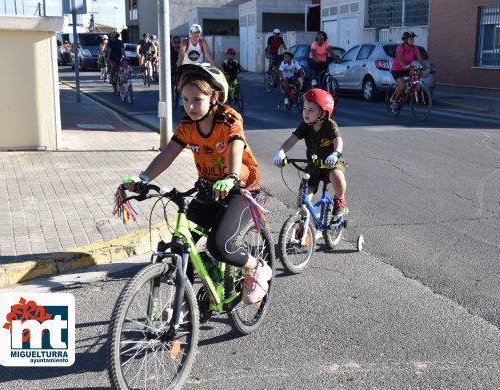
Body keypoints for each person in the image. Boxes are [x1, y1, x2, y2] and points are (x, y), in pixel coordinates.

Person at [122, 63, 271, 304]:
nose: (190, 106)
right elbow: (167, 154)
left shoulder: (229, 118)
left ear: (215, 97)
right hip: (209, 187)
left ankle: (257, 266)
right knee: (182, 246)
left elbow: (236, 145)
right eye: (185, 99)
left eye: (197, 99)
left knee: (219, 245)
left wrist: (232, 176)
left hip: (240, 188)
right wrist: (143, 178)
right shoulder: (187, 125)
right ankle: (183, 304)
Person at [273, 88, 347, 216]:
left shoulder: (330, 125)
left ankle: (339, 199)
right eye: (304, 109)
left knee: (337, 176)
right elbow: (292, 140)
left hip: (332, 163)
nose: (305, 112)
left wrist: (335, 154)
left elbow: (338, 140)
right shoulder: (305, 125)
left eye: (311, 110)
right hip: (314, 166)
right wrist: (281, 151)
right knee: (302, 200)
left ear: (323, 113)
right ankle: (302, 229)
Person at [389, 31, 433, 110]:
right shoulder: (400, 47)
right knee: (402, 85)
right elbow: (399, 58)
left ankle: (410, 87)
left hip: (407, 68)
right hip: (397, 69)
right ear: (405, 40)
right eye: (410, 39)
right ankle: (395, 102)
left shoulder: (414, 48)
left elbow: (419, 58)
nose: (412, 40)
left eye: (413, 39)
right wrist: (404, 65)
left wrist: (426, 67)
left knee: (419, 71)